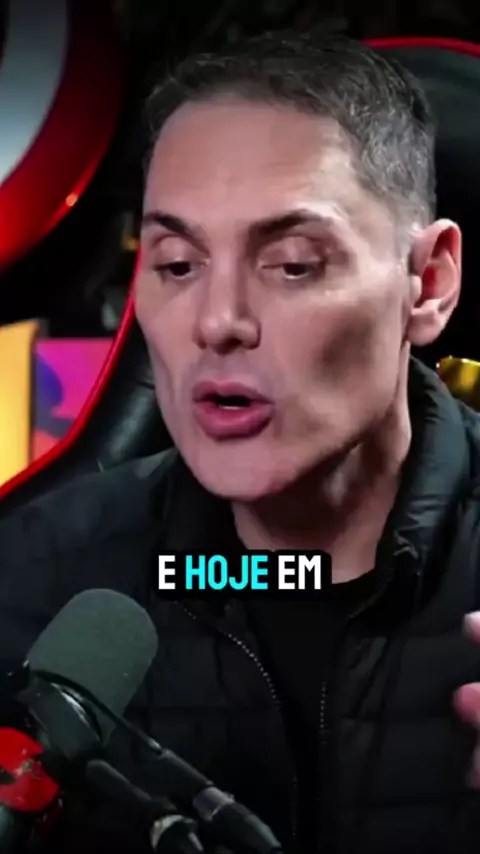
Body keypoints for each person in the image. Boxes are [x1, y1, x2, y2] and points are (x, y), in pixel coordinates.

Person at [1, 27, 480, 854]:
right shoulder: (31, 576)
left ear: (428, 283)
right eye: (178, 264)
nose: (218, 322)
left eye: (292, 264)